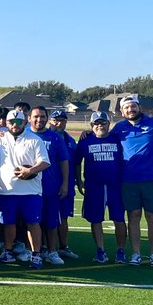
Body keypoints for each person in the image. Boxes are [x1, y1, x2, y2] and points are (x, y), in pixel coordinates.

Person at [109, 94, 153, 267]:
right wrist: (86, 134)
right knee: (133, 216)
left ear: (139, 107)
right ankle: (136, 253)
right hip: (129, 180)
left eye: (133, 106)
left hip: (152, 179)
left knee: (152, 217)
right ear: (122, 111)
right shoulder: (119, 128)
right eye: (126, 107)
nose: (131, 109)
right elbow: (103, 137)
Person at [0, 110, 51, 269]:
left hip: (31, 191)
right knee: (8, 223)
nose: (15, 125)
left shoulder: (34, 140)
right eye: (11, 122)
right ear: (5, 123)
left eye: (19, 122)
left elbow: (45, 162)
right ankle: (8, 252)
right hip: (6, 190)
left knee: (33, 223)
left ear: (25, 123)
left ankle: (35, 255)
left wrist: (30, 171)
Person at [75, 111, 127, 263]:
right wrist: (79, 181)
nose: (100, 126)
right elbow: (77, 162)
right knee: (96, 219)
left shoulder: (117, 139)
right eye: (96, 123)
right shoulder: (85, 141)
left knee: (119, 219)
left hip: (115, 186)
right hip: (94, 186)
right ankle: (100, 250)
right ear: (92, 126)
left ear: (108, 124)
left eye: (103, 123)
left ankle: (121, 250)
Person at [28, 106, 70, 265]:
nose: (39, 120)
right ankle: (32, 251)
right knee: (31, 221)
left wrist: (65, 183)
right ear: (29, 118)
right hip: (29, 187)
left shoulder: (55, 137)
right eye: (36, 116)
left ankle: (52, 251)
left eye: (42, 117)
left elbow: (64, 161)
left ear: (47, 118)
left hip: (50, 186)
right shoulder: (23, 135)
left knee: (52, 221)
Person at [48, 110, 79, 259]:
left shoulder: (71, 141)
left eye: (62, 120)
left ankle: (63, 246)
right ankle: (45, 247)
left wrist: (77, 182)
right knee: (45, 217)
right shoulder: (43, 137)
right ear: (50, 121)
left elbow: (77, 163)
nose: (58, 123)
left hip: (66, 184)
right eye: (55, 120)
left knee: (64, 217)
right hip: (48, 183)